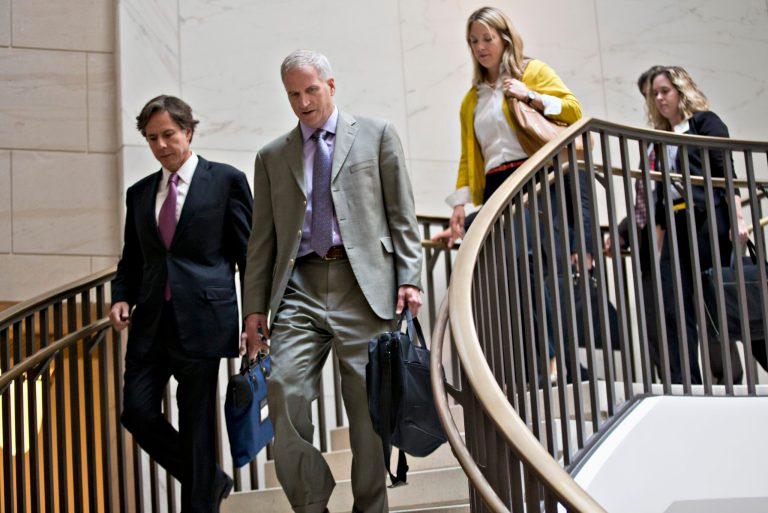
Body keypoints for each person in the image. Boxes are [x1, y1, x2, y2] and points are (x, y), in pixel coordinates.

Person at [241, 50, 423, 513]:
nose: (303, 103)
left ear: (331, 85)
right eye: (293, 95)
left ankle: (370, 507)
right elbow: (261, 240)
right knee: (284, 387)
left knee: (367, 409)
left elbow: (402, 214)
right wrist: (254, 308)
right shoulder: (271, 157)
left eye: (311, 91)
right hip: (299, 286)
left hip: (364, 286)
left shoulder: (377, 135)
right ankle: (311, 504)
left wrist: (410, 278)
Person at [109, 95, 253, 512]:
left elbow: (249, 256)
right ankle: (210, 481)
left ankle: (200, 501)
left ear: (188, 131)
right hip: (151, 322)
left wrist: (254, 318)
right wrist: (121, 297)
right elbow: (132, 260)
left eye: (168, 134)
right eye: (152, 138)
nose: (161, 145)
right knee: (136, 412)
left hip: (204, 319)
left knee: (196, 424)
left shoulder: (226, 181)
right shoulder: (139, 193)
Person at [439, 6, 588, 383]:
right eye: (473, 41)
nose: (480, 47)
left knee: (530, 266)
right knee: (512, 275)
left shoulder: (532, 72)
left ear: (505, 38)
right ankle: (542, 363)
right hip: (496, 186)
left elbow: (573, 111)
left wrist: (530, 96)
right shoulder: (471, 99)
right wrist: (459, 205)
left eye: (487, 38)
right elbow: (469, 155)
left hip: (533, 179)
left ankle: (554, 360)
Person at [647, 66, 749, 384]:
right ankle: (686, 380)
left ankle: (730, 375)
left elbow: (726, 172)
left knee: (716, 300)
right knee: (673, 303)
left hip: (706, 220)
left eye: (665, 91)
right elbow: (662, 194)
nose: (659, 98)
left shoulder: (704, 122)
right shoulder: (660, 136)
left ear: (681, 90)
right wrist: (660, 242)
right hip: (676, 223)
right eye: (654, 93)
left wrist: (738, 219)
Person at [604, 65, 665, 378]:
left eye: (661, 92)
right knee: (655, 320)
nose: (655, 101)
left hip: (680, 239)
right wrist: (622, 232)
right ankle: (669, 382)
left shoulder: (687, 133)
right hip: (649, 246)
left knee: (701, 320)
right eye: (648, 95)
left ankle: (721, 379)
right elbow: (646, 199)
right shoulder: (651, 144)